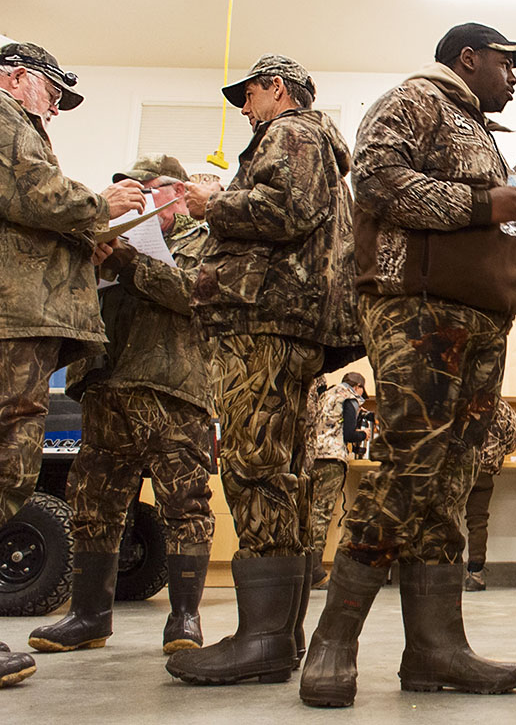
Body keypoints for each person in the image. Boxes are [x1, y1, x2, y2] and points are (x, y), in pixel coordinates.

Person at [299, 23, 516, 708]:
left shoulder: (483, 132)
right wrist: (479, 203)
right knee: (417, 464)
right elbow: (372, 181)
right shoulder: (415, 99)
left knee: (454, 477)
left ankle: (437, 648)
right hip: (415, 305)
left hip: (479, 314)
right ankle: (334, 637)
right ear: (469, 58)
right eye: (506, 62)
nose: (514, 76)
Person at [165, 54, 362, 686]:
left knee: (256, 465)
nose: (244, 109)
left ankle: (265, 638)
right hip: (285, 321)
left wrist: (213, 202)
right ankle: (277, 632)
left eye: (246, 96)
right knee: (281, 469)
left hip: (265, 319)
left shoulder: (292, 131)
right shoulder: (316, 140)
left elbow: (287, 210)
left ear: (276, 88)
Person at [27, 154, 219, 657]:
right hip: (105, 386)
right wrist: (84, 263)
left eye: (147, 188)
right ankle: (89, 616)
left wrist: (124, 262)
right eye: (129, 188)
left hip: (174, 390)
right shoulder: (103, 241)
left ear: (175, 194)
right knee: (93, 505)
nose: (137, 196)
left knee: (186, 505)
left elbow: (194, 295)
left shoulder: (205, 238)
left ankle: (184, 618)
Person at [0, 41, 147, 688]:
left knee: (11, 461)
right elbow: (35, 195)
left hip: (24, 322)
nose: (55, 109)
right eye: (52, 93)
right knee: (7, 460)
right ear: (15, 77)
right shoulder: (5, 116)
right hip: (12, 323)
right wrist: (101, 205)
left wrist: (84, 247)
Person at [306, 371, 368, 588]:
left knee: (308, 513)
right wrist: (364, 435)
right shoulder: (349, 398)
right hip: (332, 460)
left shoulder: (325, 395)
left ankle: (304, 568)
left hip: (312, 457)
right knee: (321, 514)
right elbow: (349, 434)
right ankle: (314, 571)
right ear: (358, 387)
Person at [463, 398, 516, 592]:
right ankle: (475, 574)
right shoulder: (503, 409)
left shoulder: (460, 400)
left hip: (457, 468)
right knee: (477, 521)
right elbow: (512, 442)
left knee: (444, 518)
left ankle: (442, 570)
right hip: (484, 471)